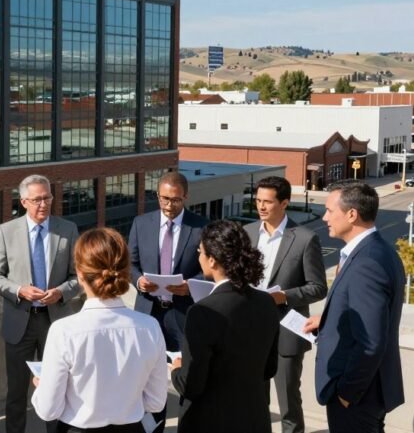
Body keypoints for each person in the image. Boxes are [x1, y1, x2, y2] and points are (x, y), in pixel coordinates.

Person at [32, 227, 167, 433]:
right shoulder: (150, 327)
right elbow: (156, 403)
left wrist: (41, 386)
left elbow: (49, 410)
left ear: (79, 273)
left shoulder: (63, 331)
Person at [303, 181, 405, 433]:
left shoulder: (366, 263)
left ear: (352, 214)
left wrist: (347, 393)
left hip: (358, 396)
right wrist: (326, 319)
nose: (325, 217)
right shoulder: (377, 250)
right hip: (366, 392)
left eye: (329, 210)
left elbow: (371, 342)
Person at [0, 174, 80, 433]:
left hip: (56, 323)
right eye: (37, 199)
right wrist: (19, 290)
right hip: (20, 322)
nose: (43, 204)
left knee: (57, 389)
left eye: (47, 198)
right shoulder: (6, 231)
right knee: (16, 393)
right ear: (24, 201)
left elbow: (79, 277)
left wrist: (61, 292)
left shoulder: (67, 229)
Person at [170, 220, 279, 433]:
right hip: (254, 419)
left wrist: (176, 369)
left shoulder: (203, 311)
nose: (198, 257)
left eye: (200, 252)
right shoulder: (266, 302)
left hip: (211, 422)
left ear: (212, 260)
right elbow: (269, 368)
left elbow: (191, 385)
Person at [244, 176, 327, 433]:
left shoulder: (304, 238)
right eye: (258, 200)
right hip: (250, 331)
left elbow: (318, 288)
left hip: (286, 332)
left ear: (285, 203)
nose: (261, 207)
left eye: (267, 202)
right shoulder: (246, 234)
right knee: (255, 401)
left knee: (288, 402)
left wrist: (284, 296)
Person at [127, 171, 207, 432]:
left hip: (184, 313)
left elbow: (209, 269)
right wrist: (138, 282)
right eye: (164, 199)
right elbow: (131, 264)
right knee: (149, 379)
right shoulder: (141, 223)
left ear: (186, 197)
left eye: (175, 200)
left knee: (188, 377)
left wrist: (189, 286)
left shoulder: (201, 226)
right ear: (157, 195)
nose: (169, 205)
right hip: (149, 313)